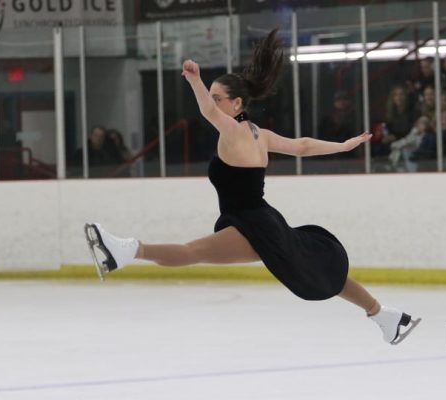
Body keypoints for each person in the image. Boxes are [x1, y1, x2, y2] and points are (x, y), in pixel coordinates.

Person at [84, 29, 420, 345]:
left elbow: (206, 112)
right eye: (212, 98)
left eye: (219, 99)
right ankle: (385, 317)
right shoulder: (260, 134)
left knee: (193, 251)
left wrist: (196, 80)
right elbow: (302, 146)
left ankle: (126, 251)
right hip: (263, 221)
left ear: (236, 105)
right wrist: (343, 146)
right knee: (318, 266)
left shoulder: (234, 132)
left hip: (252, 222)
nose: (213, 104)